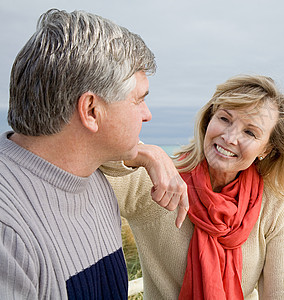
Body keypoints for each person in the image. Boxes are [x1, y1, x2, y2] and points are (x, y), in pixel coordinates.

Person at [0, 9, 187, 299]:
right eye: (138, 100)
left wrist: (147, 153)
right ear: (90, 110)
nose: (147, 115)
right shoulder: (8, 232)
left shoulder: (94, 181)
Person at [103, 74, 284, 299]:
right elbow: (89, 147)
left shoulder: (273, 204)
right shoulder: (159, 182)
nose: (230, 137)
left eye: (250, 132)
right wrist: (145, 154)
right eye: (225, 119)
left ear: (266, 150)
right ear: (209, 119)